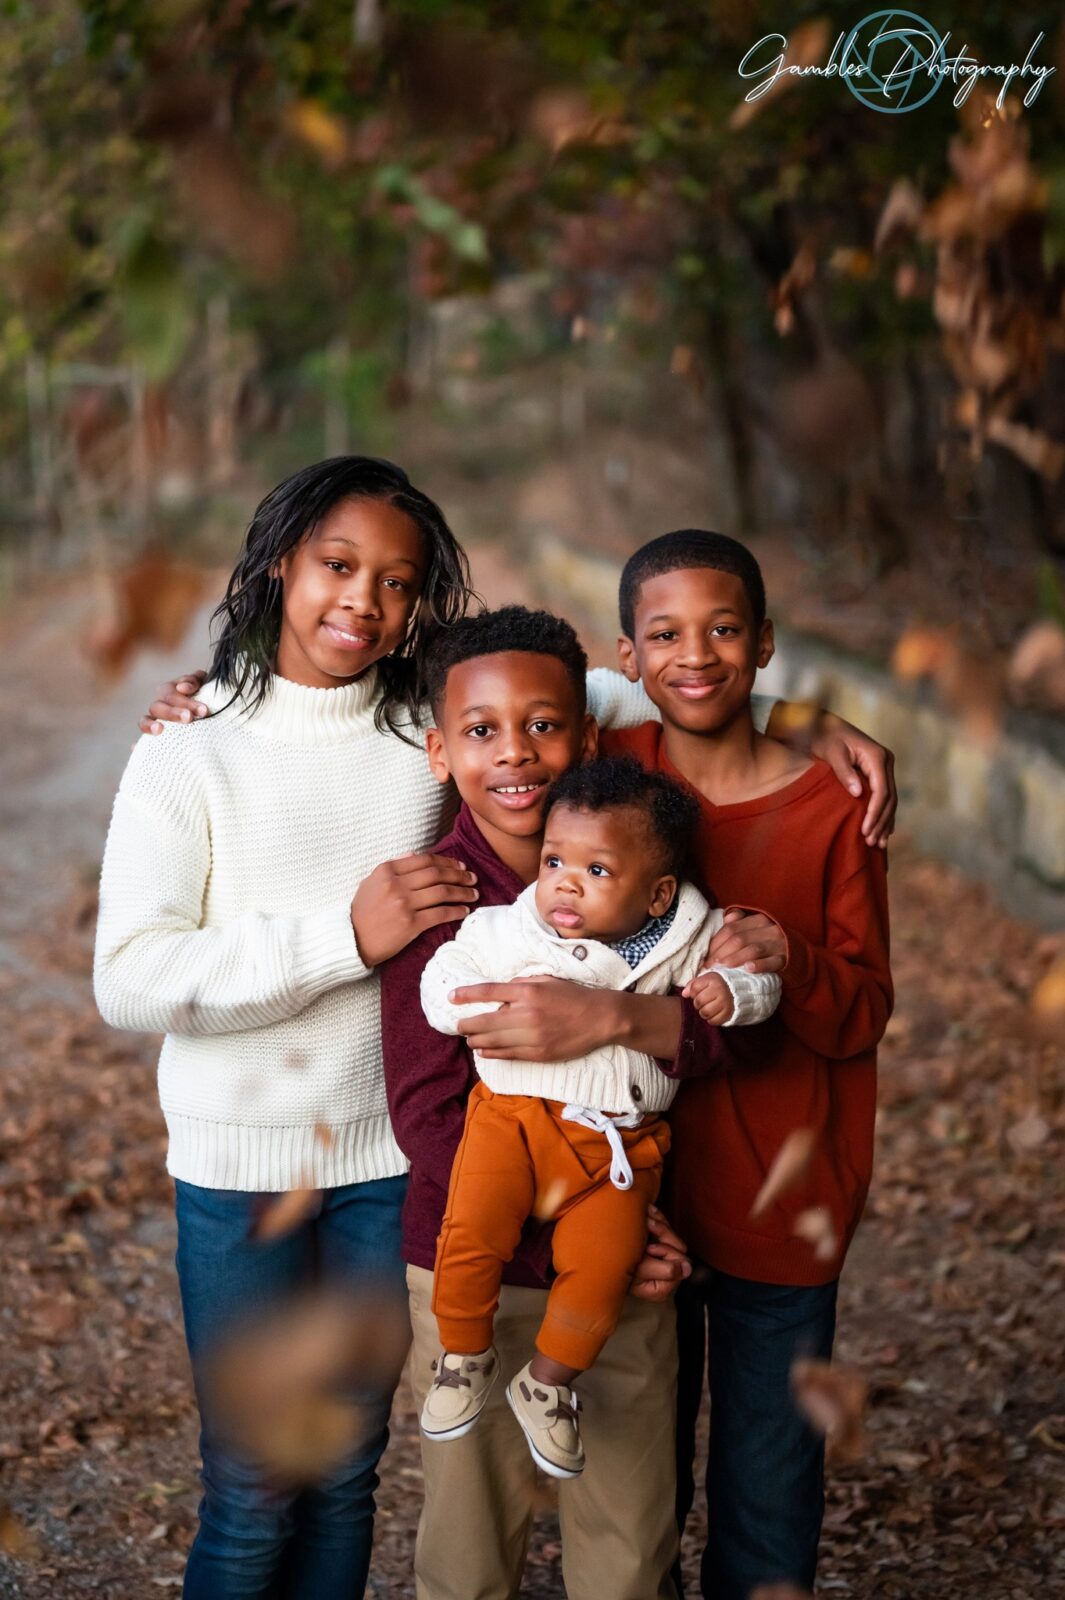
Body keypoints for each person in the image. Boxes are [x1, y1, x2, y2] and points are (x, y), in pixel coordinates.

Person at [94, 455, 483, 1600]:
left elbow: (612, 688)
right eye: (338, 565)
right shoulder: (188, 746)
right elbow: (130, 975)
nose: (364, 600)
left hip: (385, 1164)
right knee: (256, 1487)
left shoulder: (433, 732)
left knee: (351, 1468)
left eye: (398, 582)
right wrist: (341, 938)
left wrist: (803, 725)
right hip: (241, 1176)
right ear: (278, 563)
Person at [600, 529, 893, 1600]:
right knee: (638, 1503)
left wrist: (793, 957)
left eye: (725, 629)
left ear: (765, 643)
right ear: (627, 658)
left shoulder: (830, 804)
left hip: (785, 1196)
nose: (698, 654)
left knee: (769, 1508)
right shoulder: (604, 777)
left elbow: (864, 1008)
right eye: (665, 634)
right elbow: (466, 707)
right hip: (641, 1197)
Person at [418, 756, 781, 1479]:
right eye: (554, 860)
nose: (564, 882)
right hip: (511, 1120)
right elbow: (441, 982)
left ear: (658, 895)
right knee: (470, 1229)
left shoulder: (690, 938)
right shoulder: (505, 929)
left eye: (597, 870)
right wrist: (490, 1006)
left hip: (619, 1139)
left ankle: (547, 1383)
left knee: (605, 1267)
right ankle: (462, 1354)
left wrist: (730, 994)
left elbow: (758, 989)